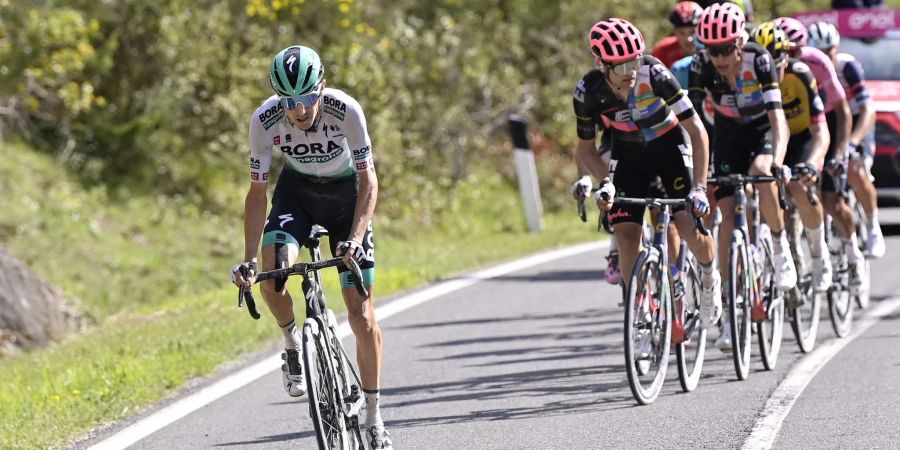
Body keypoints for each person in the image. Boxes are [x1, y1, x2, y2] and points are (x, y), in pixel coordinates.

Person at [230, 45, 393, 449]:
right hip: (297, 195)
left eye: (306, 99)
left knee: (362, 315)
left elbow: (369, 181)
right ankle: (291, 343)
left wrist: (355, 238)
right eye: (290, 102)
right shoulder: (264, 121)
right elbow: (257, 193)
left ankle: (373, 415)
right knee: (273, 278)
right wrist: (249, 260)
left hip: (346, 200)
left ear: (321, 87)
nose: (299, 110)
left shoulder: (346, 111)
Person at [573, 18, 722, 355]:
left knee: (687, 226)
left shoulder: (654, 73)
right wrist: (605, 183)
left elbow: (697, 130)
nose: (630, 70)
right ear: (601, 63)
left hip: (670, 147)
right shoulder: (588, 91)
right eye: (622, 65)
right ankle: (639, 315)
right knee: (626, 236)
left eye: (635, 60)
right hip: (629, 155)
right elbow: (585, 149)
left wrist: (699, 187)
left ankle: (711, 278)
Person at [689, 3, 796, 351]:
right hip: (727, 132)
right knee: (727, 209)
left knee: (761, 172)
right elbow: (689, 122)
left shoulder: (759, 59)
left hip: (762, 127)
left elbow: (778, 118)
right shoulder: (701, 65)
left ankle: (779, 248)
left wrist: (778, 161)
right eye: (711, 49)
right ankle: (727, 301)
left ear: (739, 42)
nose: (718, 57)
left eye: (724, 49)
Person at [774, 17, 866, 283]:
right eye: (783, 53)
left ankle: (852, 252)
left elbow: (842, 111)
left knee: (832, 203)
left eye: (794, 52)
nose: (789, 58)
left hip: (825, 122)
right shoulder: (767, 67)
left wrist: (840, 153)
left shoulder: (815, 62)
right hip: (789, 130)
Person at [750, 22, 833, 292]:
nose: (768, 74)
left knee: (798, 186)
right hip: (767, 140)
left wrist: (812, 162)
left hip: (800, 140)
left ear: (786, 57)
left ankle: (819, 254)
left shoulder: (800, 74)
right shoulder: (748, 81)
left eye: (775, 65)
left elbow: (821, 130)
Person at [808, 21, 886, 258]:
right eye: (820, 52)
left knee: (854, 169)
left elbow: (868, 110)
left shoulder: (847, 66)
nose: (826, 56)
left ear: (837, 47)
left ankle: (873, 228)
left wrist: (853, 142)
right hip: (830, 128)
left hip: (857, 125)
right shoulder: (810, 70)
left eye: (829, 50)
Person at [652, 2, 704, 68]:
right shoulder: (663, 50)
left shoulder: (711, 48)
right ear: (675, 32)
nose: (688, 39)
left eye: (692, 32)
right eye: (682, 33)